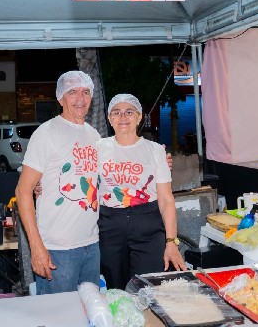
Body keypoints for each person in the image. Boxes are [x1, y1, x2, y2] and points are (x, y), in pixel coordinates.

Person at [15, 71, 101, 295]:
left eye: (85, 92)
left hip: (91, 244)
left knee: (89, 310)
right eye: (72, 92)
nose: (80, 98)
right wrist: (36, 247)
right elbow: (23, 190)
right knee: (58, 312)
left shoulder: (94, 135)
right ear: (60, 98)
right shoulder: (47, 133)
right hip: (58, 249)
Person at [97, 93, 186, 290]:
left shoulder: (155, 150)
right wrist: (40, 183)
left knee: (150, 287)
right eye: (116, 112)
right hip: (110, 226)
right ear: (109, 118)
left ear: (139, 117)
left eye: (129, 112)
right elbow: (75, 175)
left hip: (148, 225)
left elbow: (166, 200)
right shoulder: (98, 148)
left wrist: (171, 241)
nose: (123, 117)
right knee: (116, 289)